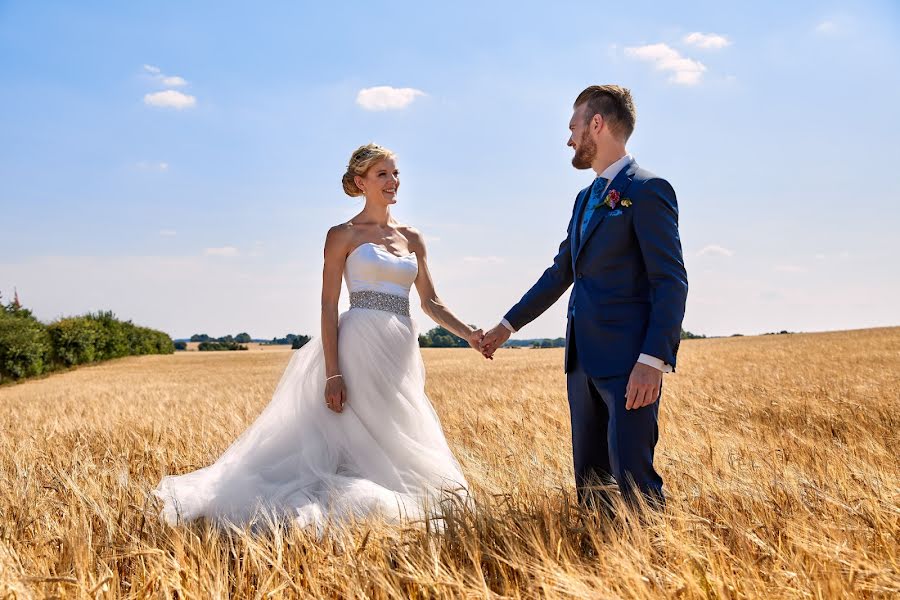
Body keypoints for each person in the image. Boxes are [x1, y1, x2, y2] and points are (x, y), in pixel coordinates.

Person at [152, 143, 481, 533]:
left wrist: (470, 335)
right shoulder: (342, 235)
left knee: (394, 428)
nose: (393, 182)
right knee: (351, 434)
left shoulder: (413, 238)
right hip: (357, 344)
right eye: (383, 174)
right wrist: (332, 373)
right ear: (361, 182)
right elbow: (328, 305)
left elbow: (431, 301)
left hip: (401, 351)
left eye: (395, 174)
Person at [481, 85, 688, 513]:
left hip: (630, 366)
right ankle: (601, 571)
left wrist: (653, 360)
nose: (569, 139)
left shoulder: (649, 190)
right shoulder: (584, 199)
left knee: (634, 482)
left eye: (573, 126)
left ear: (597, 124)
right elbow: (562, 272)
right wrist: (507, 326)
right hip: (581, 364)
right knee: (592, 488)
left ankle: (656, 570)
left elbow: (670, 281)